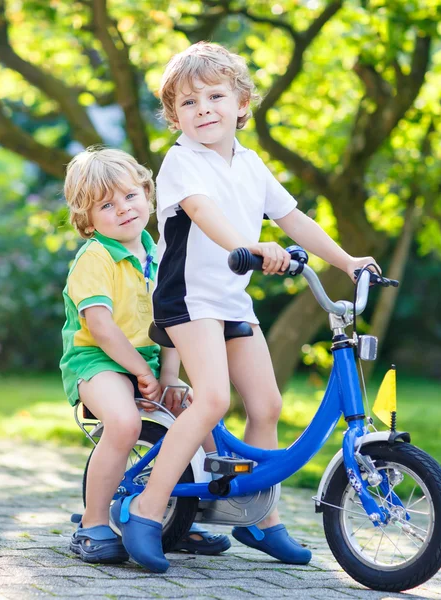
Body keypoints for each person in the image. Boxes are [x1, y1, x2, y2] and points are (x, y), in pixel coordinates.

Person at [109, 42, 380, 573]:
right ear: (174, 117)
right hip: (187, 299)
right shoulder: (182, 162)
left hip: (231, 300)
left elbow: (293, 219)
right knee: (211, 400)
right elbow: (203, 213)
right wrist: (251, 246)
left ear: (241, 104)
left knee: (267, 405)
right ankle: (145, 509)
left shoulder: (252, 164)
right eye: (188, 103)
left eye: (215, 96)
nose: (203, 108)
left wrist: (347, 261)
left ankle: (258, 516)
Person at [60, 147, 229, 564]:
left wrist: (169, 374)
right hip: (96, 360)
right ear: (88, 219)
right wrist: (140, 371)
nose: (123, 209)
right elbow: (100, 327)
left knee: (201, 413)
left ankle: (182, 515)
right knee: (123, 422)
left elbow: (171, 320)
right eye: (106, 205)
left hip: (148, 362)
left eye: (130, 197)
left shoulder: (159, 254)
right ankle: (92, 523)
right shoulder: (94, 258)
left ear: (148, 194)